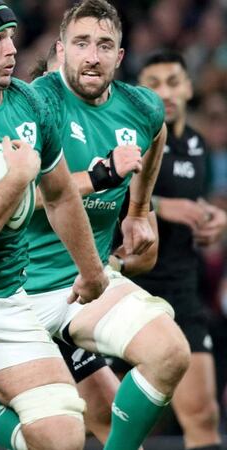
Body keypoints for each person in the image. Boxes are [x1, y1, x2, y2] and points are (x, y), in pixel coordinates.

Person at [0, 2, 191, 450]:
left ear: (121, 55)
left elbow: (59, 194)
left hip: (18, 294)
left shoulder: (28, 103)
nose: (13, 50)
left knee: (67, 432)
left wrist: (108, 251)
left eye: (12, 37)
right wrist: (23, 178)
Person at [134, 50, 226, 450]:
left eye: (174, 82)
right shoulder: (129, 138)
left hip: (181, 292)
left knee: (203, 416)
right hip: (128, 291)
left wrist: (216, 221)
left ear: (189, 87)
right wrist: (159, 207)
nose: (166, 93)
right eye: (153, 84)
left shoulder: (197, 145)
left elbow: (198, 203)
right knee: (106, 422)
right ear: (139, 92)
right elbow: (91, 198)